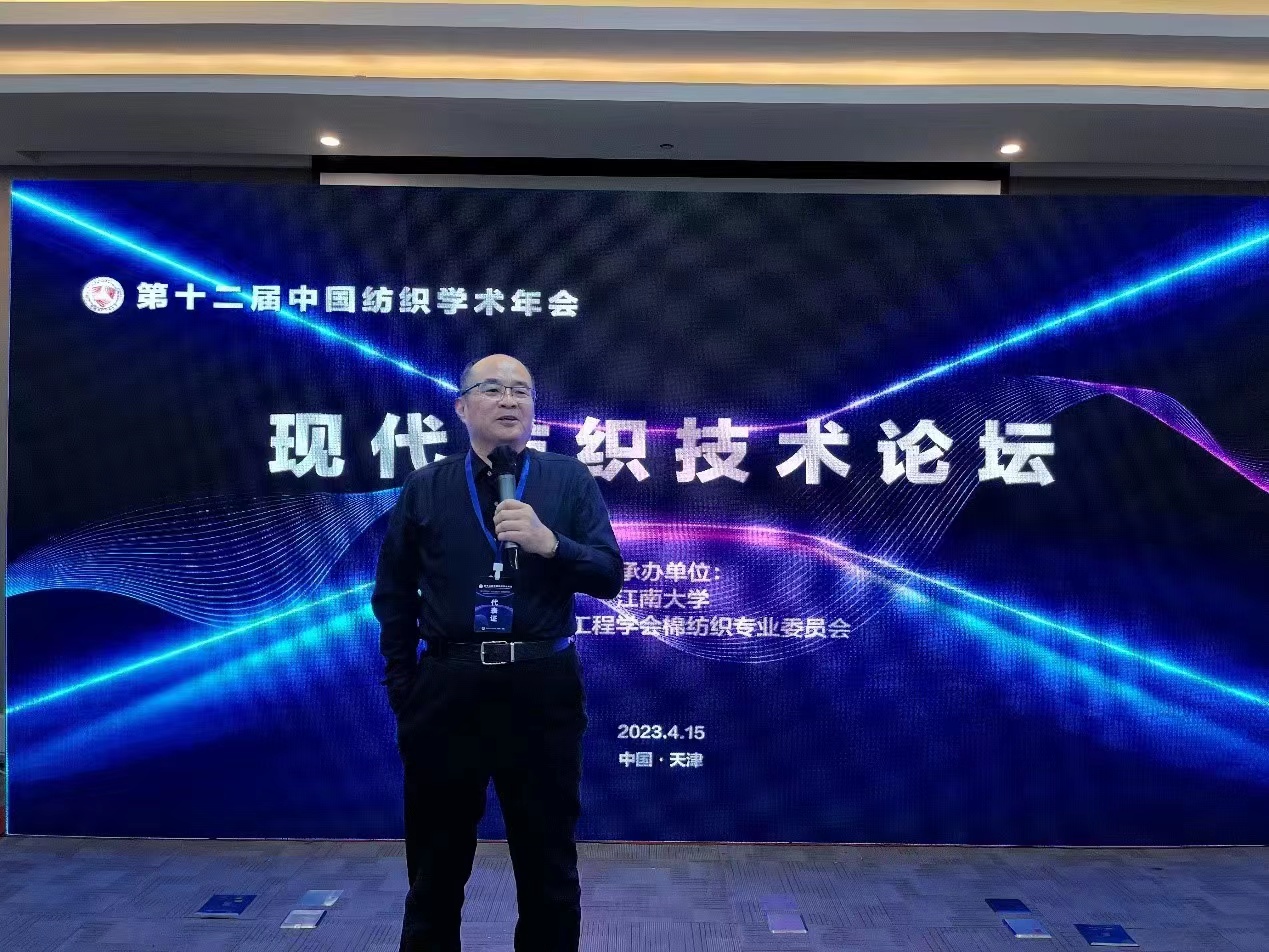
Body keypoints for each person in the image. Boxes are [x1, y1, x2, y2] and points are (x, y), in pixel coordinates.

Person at [373, 354, 623, 952]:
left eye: (522, 391)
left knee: (548, 867)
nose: (509, 401)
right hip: (447, 689)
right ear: (462, 407)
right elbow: (393, 593)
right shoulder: (427, 485)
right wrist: (406, 688)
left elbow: (609, 575)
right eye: (492, 389)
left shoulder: (568, 479)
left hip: (541, 687)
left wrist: (550, 543)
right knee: (434, 870)